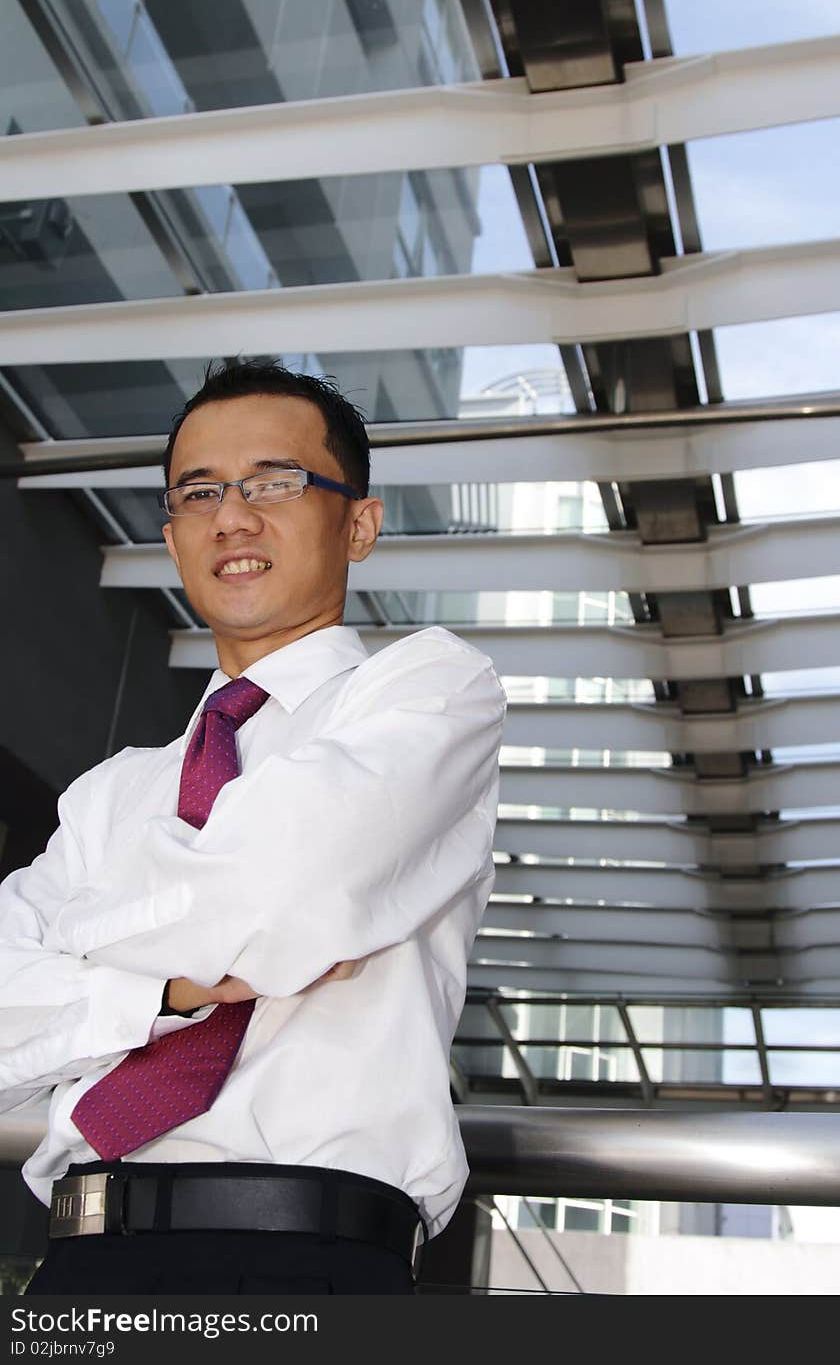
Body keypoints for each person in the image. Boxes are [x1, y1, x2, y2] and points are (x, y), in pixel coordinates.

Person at [0, 358, 506, 1295]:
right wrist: (172, 990)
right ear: (171, 532)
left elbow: (281, 890)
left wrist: (83, 955)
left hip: (304, 1258)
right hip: (76, 1264)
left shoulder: (430, 694)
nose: (231, 515)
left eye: (274, 481)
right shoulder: (111, 794)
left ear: (359, 522)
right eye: (199, 491)